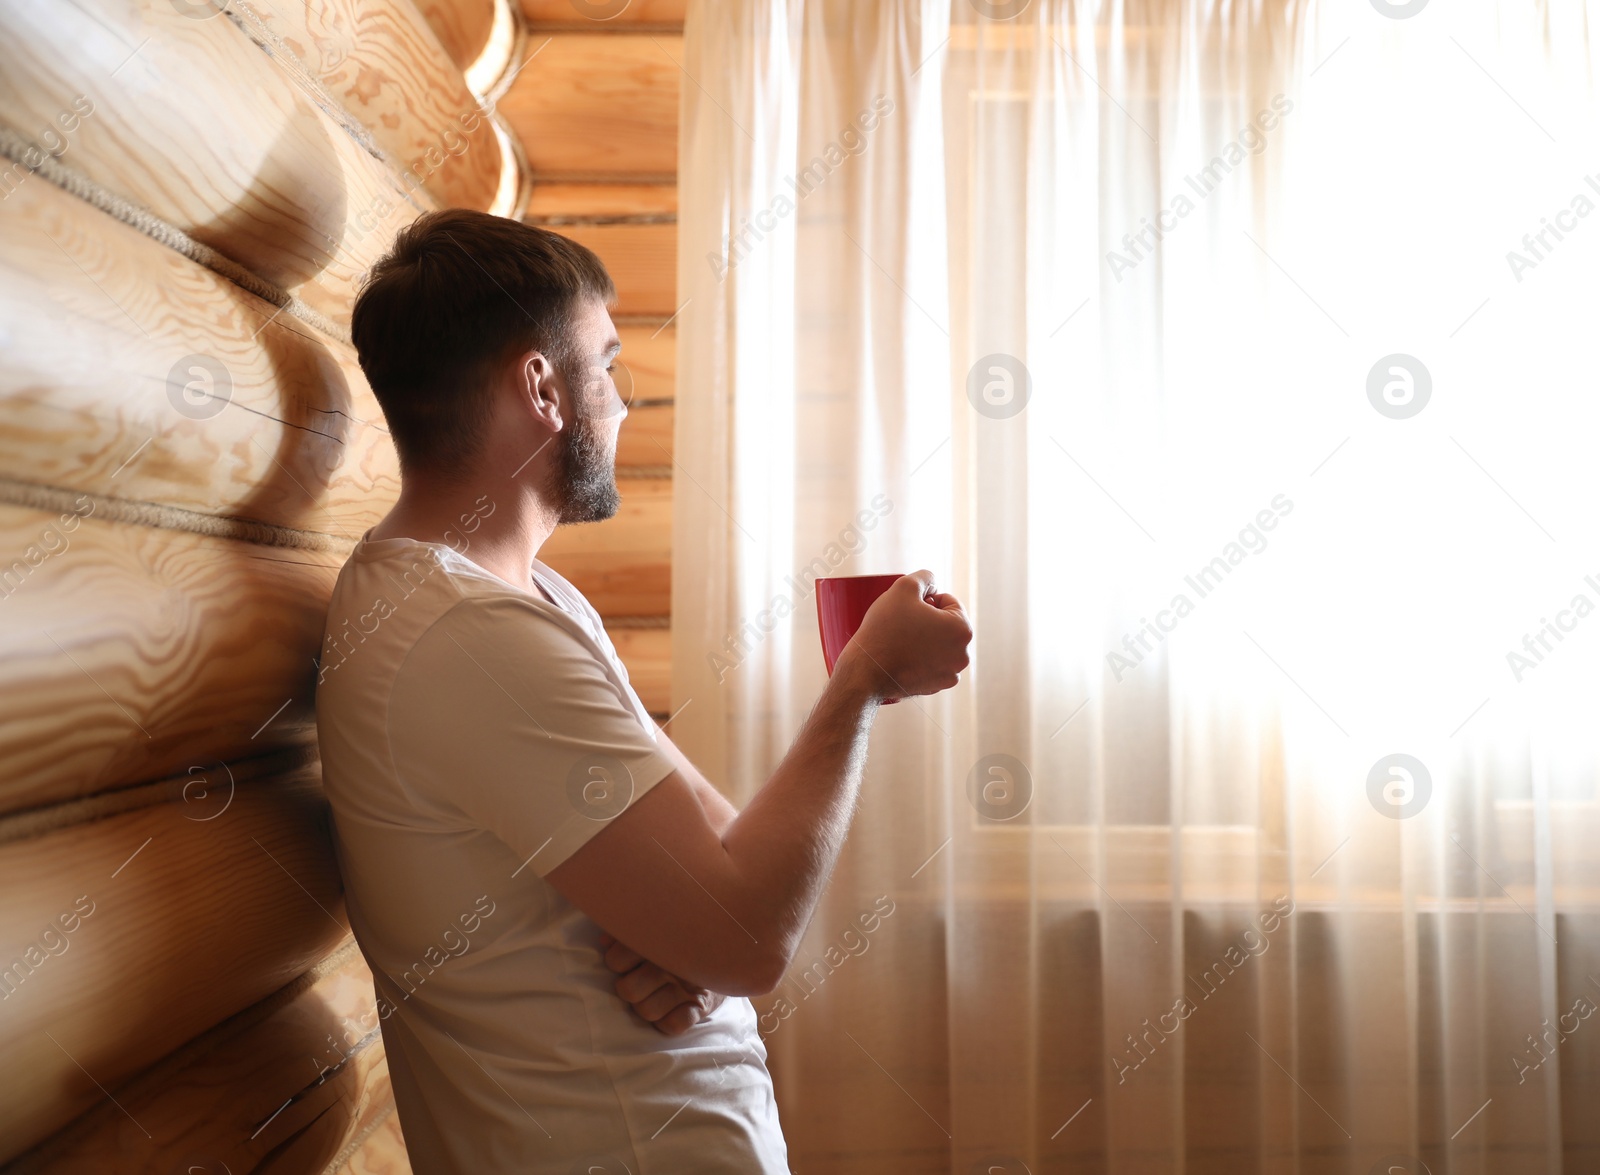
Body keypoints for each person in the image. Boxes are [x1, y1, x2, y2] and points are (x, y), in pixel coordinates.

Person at [314, 208, 972, 1173]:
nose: (624, 404)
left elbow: (722, 861)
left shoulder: (533, 601)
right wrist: (862, 679)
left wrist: (701, 947)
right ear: (541, 387)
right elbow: (750, 933)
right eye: (607, 364)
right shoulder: (468, 637)